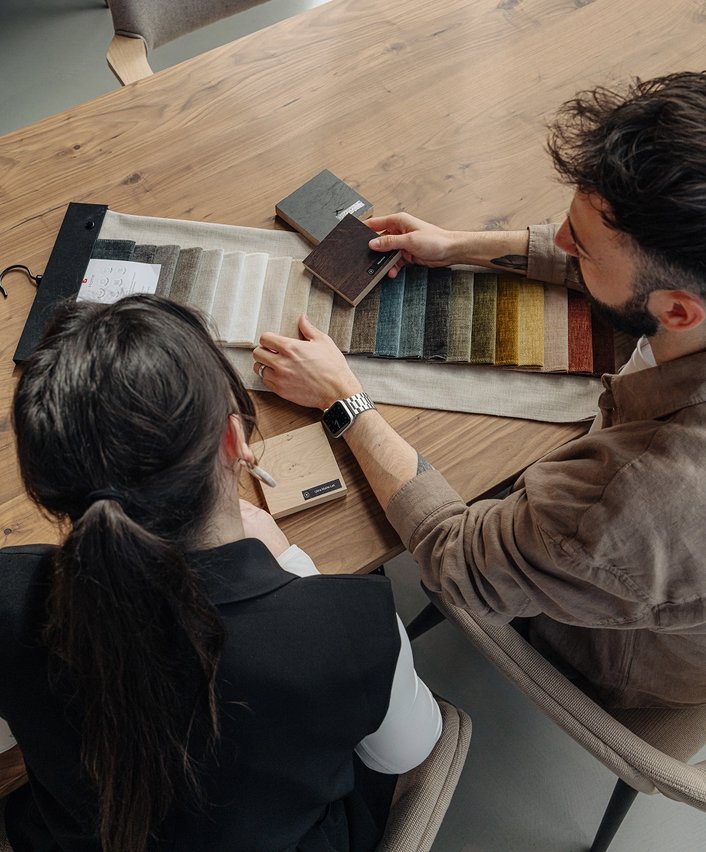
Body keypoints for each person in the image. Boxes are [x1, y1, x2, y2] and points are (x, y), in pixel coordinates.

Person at [253, 72, 706, 711]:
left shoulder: (628, 499)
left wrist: (345, 399)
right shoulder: (687, 288)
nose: (562, 242)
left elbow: (456, 561)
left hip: (612, 652)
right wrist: (457, 245)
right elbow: (630, 257)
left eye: (582, 247)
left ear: (679, 313)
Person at [0, 295, 441, 852]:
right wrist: (291, 564)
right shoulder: (353, 625)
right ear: (235, 442)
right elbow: (408, 749)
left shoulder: (9, 598)